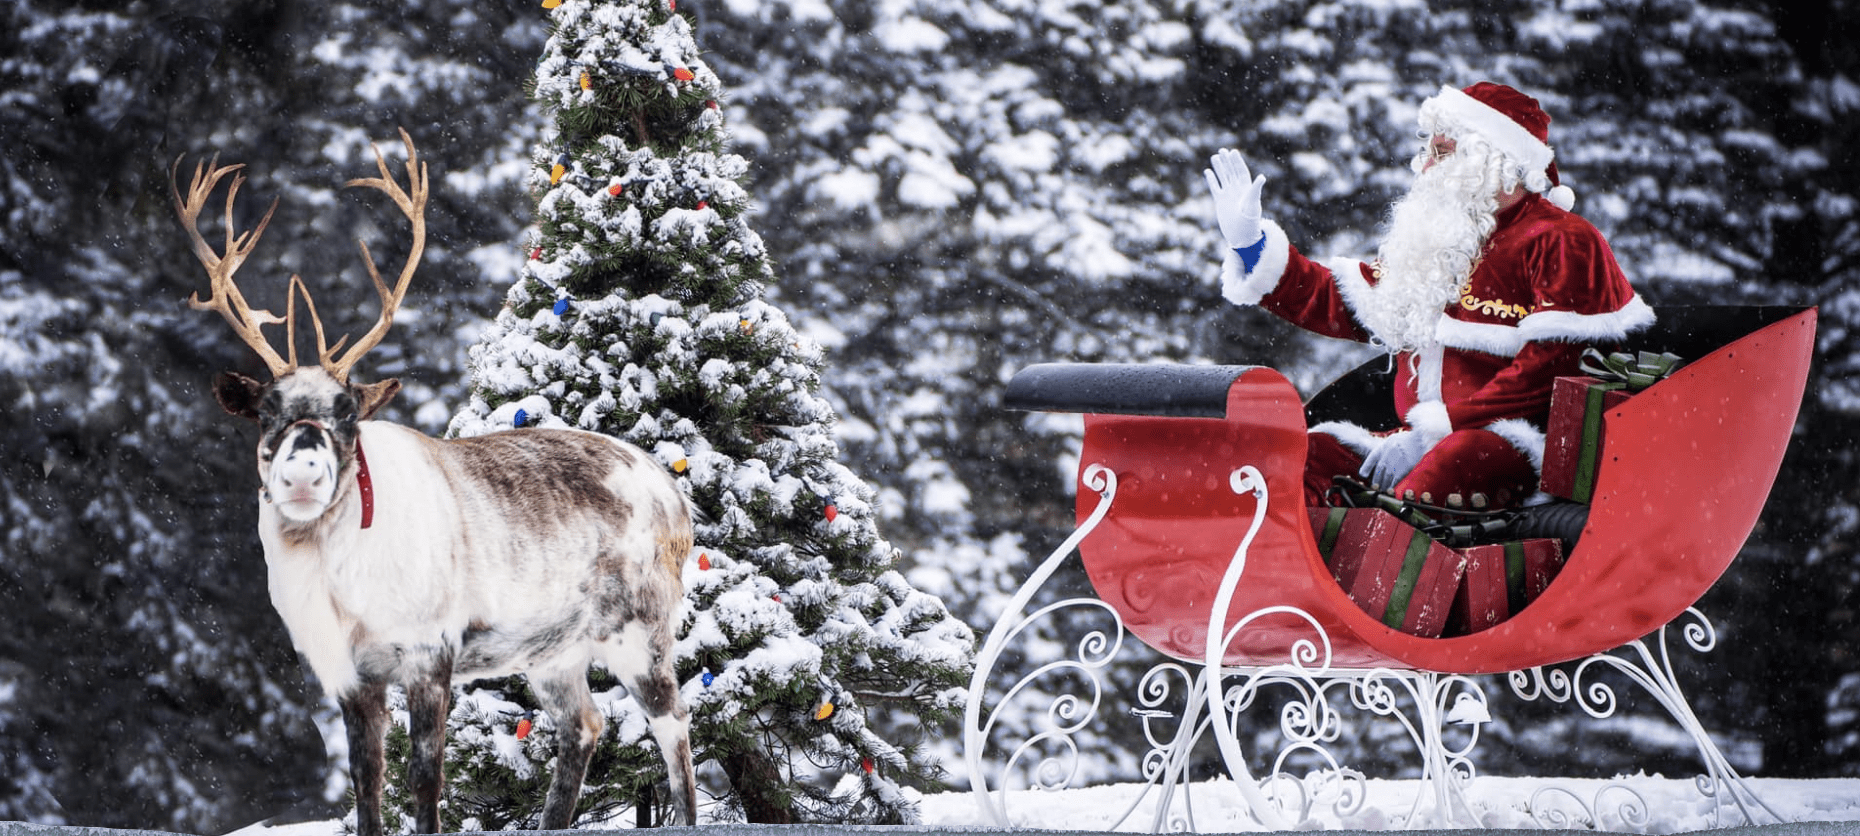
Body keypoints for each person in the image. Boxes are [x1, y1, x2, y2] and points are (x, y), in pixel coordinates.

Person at [1205, 82, 1654, 510]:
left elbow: (1551, 368)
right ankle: (1278, 585)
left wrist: (1436, 433)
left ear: (1490, 160)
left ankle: (1381, 586)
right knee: (1306, 462)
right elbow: (1341, 300)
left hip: (1518, 446)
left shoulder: (1561, 241)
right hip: (1419, 438)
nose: (1425, 165)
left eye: (1442, 153)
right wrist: (1251, 245)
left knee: (1444, 472)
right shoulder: (1445, 238)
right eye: (1428, 152)